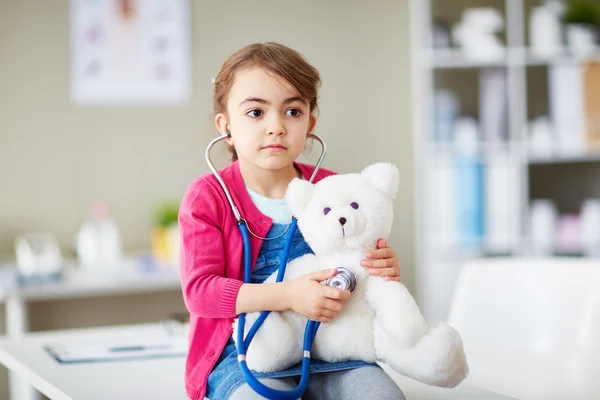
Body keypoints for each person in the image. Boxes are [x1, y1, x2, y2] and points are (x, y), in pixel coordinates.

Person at [179, 42, 406, 400]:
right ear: (226, 127)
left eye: (293, 111)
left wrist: (384, 267)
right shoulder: (208, 196)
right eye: (255, 112)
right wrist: (287, 296)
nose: (276, 128)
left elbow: (359, 266)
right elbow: (200, 292)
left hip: (332, 350)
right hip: (242, 354)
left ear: (310, 123)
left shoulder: (335, 188)